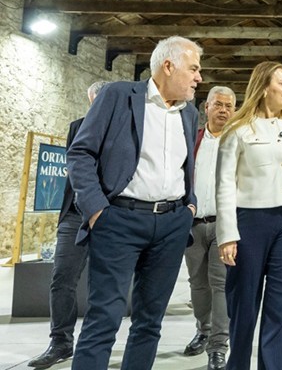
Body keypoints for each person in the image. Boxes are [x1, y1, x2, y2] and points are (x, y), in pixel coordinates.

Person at [66, 36, 202, 370]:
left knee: (150, 322)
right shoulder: (118, 95)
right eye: (193, 69)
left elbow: (186, 166)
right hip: (119, 221)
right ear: (168, 66)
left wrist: (190, 206)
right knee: (104, 319)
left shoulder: (189, 113)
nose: (198, 77)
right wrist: (97, 210)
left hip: (171, 224)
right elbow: (81, 152)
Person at [215, 61, 282, 370]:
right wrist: (227, 234)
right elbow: (225, 184)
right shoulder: (238, 130)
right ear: (264, 87)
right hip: (250, 222)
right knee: (243, 304)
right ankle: (238, 364)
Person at [28, 81, 109, 370]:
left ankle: (94, 346)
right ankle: (60, 342)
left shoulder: (123, 129)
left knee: (104, 284)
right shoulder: (77, 127)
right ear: (90, 101)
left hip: (108, 214)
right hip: (74, 214)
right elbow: (76, 167)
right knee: (62, 278)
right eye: (95, 101)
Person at [183, 86, 236, 370]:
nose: (223, 110)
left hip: (223, 226)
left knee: (220, 285)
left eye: (229, 106)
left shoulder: (239, 142)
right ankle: (203, 330)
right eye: (218, 105)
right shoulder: (193, 139)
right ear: (206, 107)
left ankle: (218, 345)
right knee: (197, 284)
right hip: (192, 225)